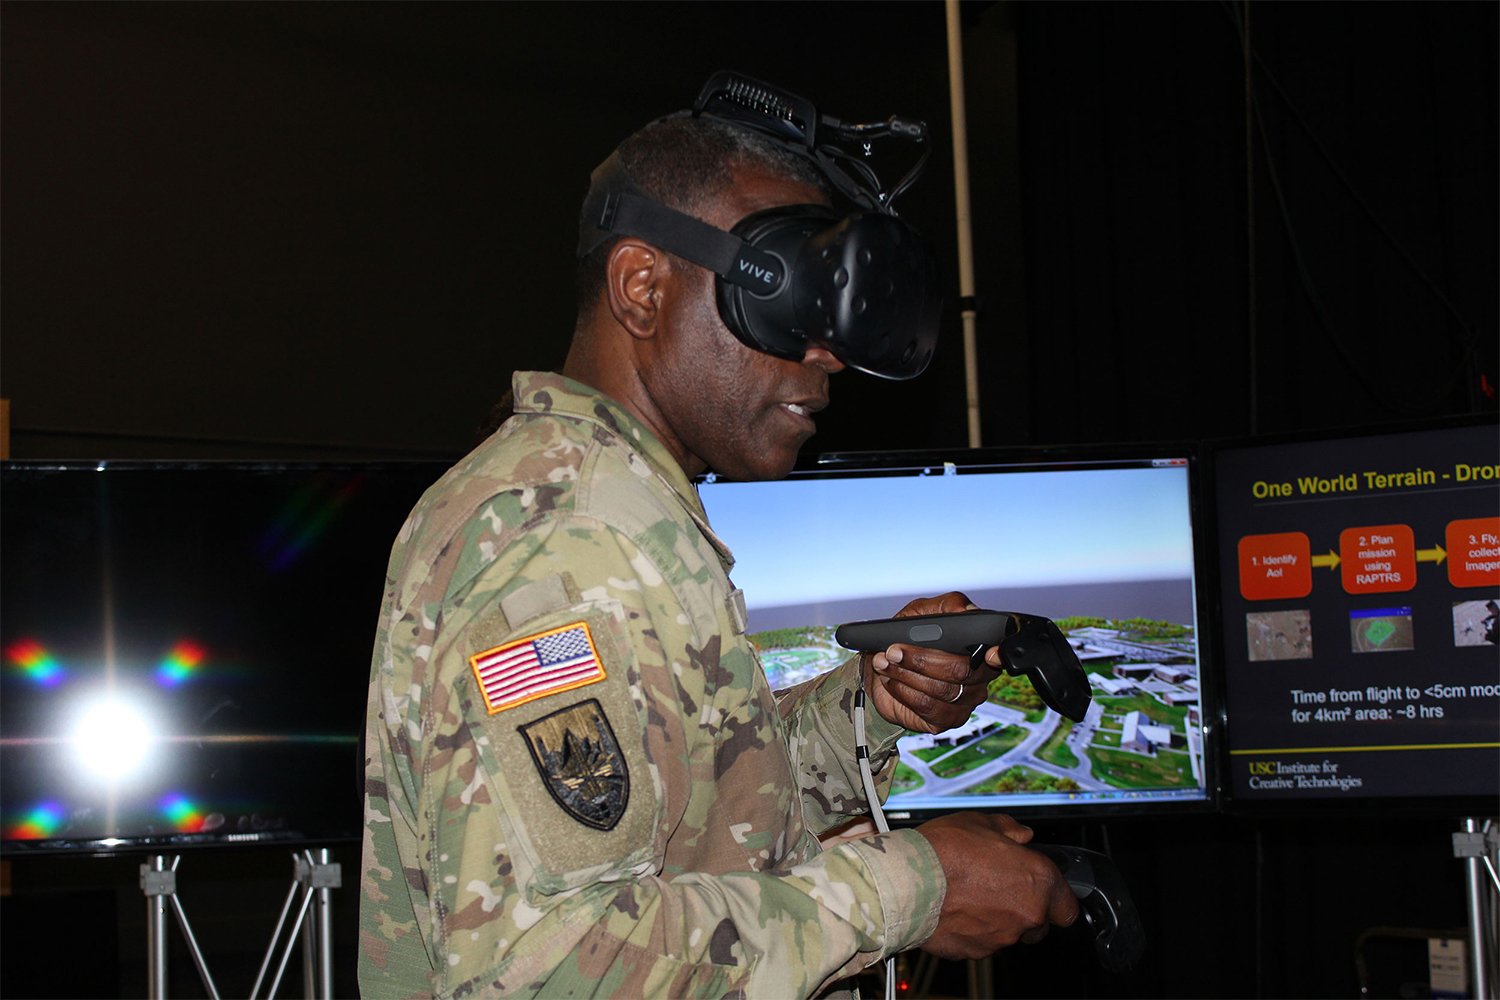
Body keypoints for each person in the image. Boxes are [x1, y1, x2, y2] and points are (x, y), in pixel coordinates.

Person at [359, 110, 1077, 1000]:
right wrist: (915, 888)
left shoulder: (632, 514)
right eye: (780, 296)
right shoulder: (564, 536)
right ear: (642, 288)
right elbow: (552, 961)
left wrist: (872, 701)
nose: (825, 353)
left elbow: (702, 824)